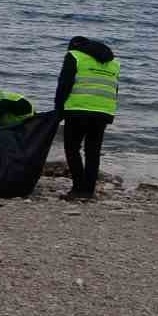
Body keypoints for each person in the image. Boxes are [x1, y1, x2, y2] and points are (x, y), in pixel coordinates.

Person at [55, 36, 120, 201]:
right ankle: (88, 191)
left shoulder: (75, 56)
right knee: (93, 152)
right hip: (103, 112)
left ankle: (78, 189)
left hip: (78, 109)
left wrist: (58, 108)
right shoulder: (114, 62)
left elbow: (64, 83)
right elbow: (114, 88)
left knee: (72, 148)